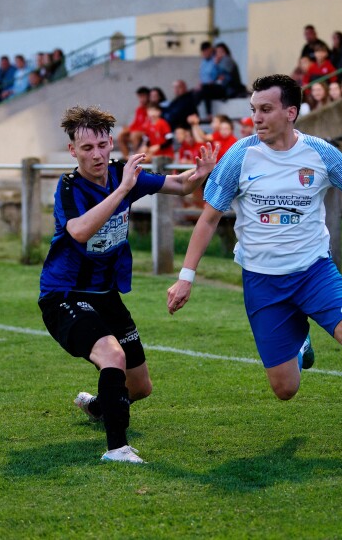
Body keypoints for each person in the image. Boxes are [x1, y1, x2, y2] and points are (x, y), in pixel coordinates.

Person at [166, 74, 342, 463]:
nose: (256, 118)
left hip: (315, 273)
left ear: (290, 112)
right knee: (285, 389)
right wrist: (186, 277)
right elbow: (209, 219)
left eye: (265, 110)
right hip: (262, 283)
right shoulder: (239, 156)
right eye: (253, 110)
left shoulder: (321, 153)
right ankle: (301, 344)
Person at [38, 105, 216, 464]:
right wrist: (122, 191)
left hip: (107, 295)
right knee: (111, 354)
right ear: (73, 151)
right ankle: (117, 449)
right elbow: (80, 231)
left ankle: (98, 405)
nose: (97, 154)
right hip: (65, 295)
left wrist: (200, 173)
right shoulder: (69, 186)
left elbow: (180, 185)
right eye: (87, 149)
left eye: (102, 145)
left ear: (110, 144)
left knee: (140, 387)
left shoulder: (123, 174)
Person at [115, 86, 150, 158]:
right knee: (121, 135)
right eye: (140, 97)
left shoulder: (151, 108)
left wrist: (132, 130)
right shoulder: (139, 109)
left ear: (148, 96)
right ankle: (126, 157)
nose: (141, 99)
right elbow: (135, 123)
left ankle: (137, 157)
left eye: (143, 96)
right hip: (137, 131)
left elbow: (147, 125)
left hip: (146, 132)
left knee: (134, 135)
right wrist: (127, 129)